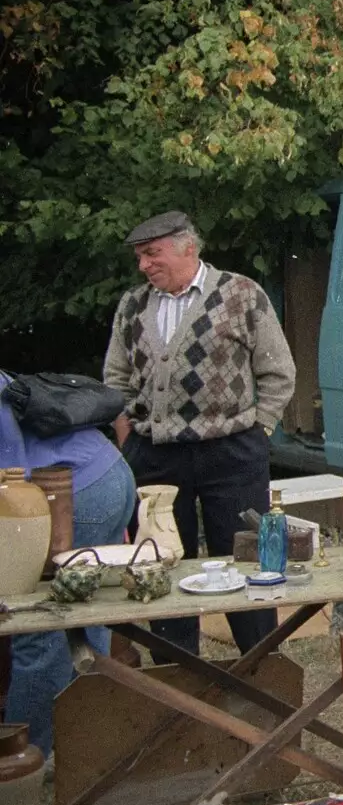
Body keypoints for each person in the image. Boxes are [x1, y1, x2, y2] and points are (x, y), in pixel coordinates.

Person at [104, 211, 296, 657]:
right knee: (161, 569)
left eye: (152, 254)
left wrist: (259, 431)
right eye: (139, 257)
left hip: (232, 452)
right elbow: (115, 379)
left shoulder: (242, 294)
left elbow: (279, 372)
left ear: (188, 247)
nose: (144, 266)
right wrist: (126, 438)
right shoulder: (133, 306)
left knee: (248, 566)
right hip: (153, 456)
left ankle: (261, 672)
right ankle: (177, 682)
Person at [1, 372, 138, 756]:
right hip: (103, 474)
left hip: (75, 492)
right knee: (84, 619)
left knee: (38, 626)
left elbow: (9, 480)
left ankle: (31, 758)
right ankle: (86, 751)